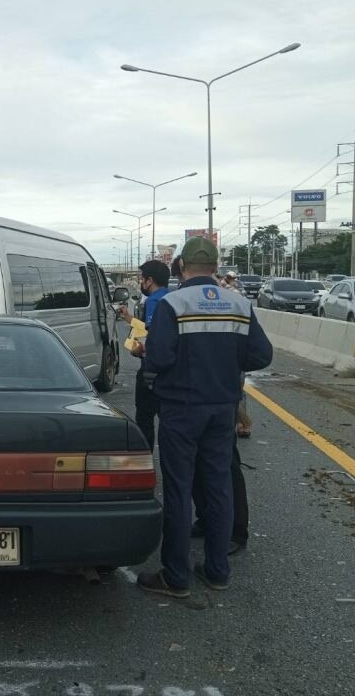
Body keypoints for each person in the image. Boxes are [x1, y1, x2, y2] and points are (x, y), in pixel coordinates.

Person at [136, 237, 272, 598]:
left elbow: (160, 358)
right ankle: (217, 571)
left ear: (181, 267)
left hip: (181, 409)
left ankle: (177, 577)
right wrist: (226, 363)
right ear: (215, 265)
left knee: (179, 490)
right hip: (223, 408)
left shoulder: (173, 303)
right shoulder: (240, 303)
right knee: (219, 486)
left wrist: (148, 358)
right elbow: (261, 356)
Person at [118, 260, 170, 450]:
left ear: (150, 280)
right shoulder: (171, 297)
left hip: (151, 371)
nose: (140, 282)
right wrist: (128, 318)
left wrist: (138, 349)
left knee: (145, 417)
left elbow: (151, 335)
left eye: (142, 278)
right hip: (169, 370)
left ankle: (145, 455)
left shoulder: (155, 301)